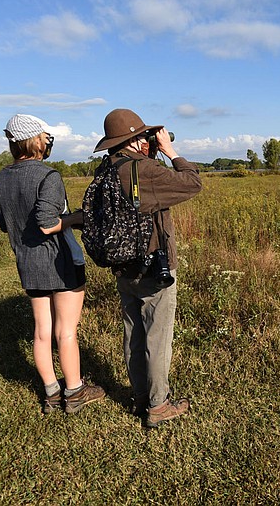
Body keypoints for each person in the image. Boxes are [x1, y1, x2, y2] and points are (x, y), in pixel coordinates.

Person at [91, 108, 201, 428]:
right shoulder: (145, 170)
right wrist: (170, 151)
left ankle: (140, 395)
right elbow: (191, 183)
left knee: (134, 333)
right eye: (144, 136)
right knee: (157, 336)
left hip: (123, 265)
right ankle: (158, 405)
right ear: (135, 140)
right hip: (154, 267)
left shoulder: (105, 169)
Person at [0, 113, 105, 414]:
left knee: (42, 331)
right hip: (61, 260)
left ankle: (52, 392)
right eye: (44, 135)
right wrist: (79, 218)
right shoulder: (49, 176)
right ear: (34, 140)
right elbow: (47, 224)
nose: (48, 140)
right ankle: (75, 390)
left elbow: (5, 224)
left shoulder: (3, 177)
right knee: (66, 331)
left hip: (27, 264)